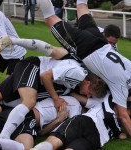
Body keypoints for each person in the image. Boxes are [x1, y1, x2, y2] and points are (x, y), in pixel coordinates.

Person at [18, 0, 131, 136]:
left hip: (99, 39)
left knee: (82, 5)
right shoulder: (121, 87)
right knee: (50, 18)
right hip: (85, 48)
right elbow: (123, 116)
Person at [0, 55, 107, 140]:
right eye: (90, 92)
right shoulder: (77, 74)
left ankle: (2, 135)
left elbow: (91, 102)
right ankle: (3, 138)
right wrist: (56, 99)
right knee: (29, 101)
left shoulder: (71, 87)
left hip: (30, 80)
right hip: (33, 68)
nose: (88, 95)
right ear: (88, 83)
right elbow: (45, 76)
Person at [31, 92, 127, 150]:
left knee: (55, 143)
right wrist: (118, 133)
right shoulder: (105, 101)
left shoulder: (118, 120)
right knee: (54, 143)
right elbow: (109, 115)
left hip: (95, 137)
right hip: (88, 124)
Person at [0, 95, 82, 150]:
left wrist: (58, 120)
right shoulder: (75, 108)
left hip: (22, 116)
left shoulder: (71, 106)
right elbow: (43, 133)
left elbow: (41, 133)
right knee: (26, 147)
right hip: (28, 117)